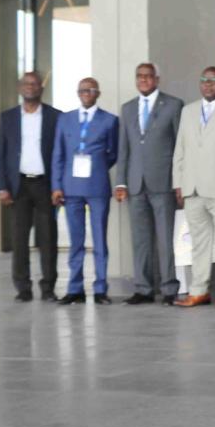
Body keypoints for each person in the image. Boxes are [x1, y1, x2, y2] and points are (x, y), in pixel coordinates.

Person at [115, 62, 184, 305]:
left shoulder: (174, 105)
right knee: (140, 239)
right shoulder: (128, 108)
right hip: (135, 184)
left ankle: (168, 289)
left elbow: (180, 148)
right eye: (139, 76)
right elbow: (124, 149)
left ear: (157, 79)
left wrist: (180, 183)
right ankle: (143, 289)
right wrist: (121, 182)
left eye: (148, 76)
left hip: (163, 183)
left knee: (165, 239)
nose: (143, 80)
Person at [173, 67, 215, 308]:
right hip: (193, 188)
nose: (208, 84)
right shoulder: (188, 111)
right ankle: (199, 290)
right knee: (198, 243)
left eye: (214, 80)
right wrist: (178, 183)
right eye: (204, 80)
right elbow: (180, 149)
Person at [52, 78, 118, 305]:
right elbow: (58, 155)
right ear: (77, 93)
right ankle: (75, 289)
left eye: (90, 90)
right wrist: (56, 185)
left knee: (100, 239)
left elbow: (113, 154)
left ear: (97, 93)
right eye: (82, 90)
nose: (86, 93)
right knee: (75, 240)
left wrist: (97, 167)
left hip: (97, 186)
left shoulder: (110, 121)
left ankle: (100, 289)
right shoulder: (65, 119)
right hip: (70, 188)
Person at [0, 72, 61, 302]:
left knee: (48, 239)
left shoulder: (55, 117)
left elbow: (59, 154)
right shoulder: (8, 117)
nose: (30, 87)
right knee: (19, 239)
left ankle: (48, 288)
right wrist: (2, 186)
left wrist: (58, 186)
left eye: (34, 84)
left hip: (45, 185)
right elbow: (1, 154)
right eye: (26, 84)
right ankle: (23, 288)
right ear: (20, 88)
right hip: (19, 186)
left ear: (40, 88)